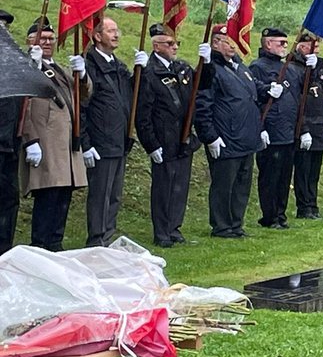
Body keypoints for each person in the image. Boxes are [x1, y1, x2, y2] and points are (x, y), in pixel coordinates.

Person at [195, 24, 277, 238]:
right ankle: (222, 225)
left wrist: (268, 89)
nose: (233, 45)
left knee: (242, 184)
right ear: (215, 43)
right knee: (224, 185)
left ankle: (236, 223)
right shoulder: (211, 69)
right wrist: (210, 136)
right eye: (228, 41)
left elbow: (254, 89)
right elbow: (202, 104)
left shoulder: (240, 67)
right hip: (226, 136)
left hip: (246, 136)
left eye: (234, 40)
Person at [20, 18, 91, 251]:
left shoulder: (57, 67)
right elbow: (24, 107)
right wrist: (30, 139)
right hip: (46, 142)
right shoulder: (27, 66)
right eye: (41, 38)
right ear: (30, 41)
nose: (47, 42)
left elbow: (83, 94)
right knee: (47, 197)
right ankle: (41, 245)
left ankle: (55, 243)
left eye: (51, 38)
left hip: (67, 144)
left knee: (62, 196)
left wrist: (82, 75)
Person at [81, 16, 148, 246]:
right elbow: (82, 106)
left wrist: (141, 71)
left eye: (117, 30)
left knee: (114, 195)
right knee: (101, 194)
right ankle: (97, 239)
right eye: (110, 31)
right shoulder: (90, 66)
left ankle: (107, 235)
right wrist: (85, 143)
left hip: (119, 140)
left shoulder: (117, 65)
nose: (116, 34)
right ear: (97, 36)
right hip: (101, 141)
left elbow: (133, 94)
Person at [135, 23, 199, 248]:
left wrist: (206, 63)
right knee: (163, 188)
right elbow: (143, 113)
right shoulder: (149, 71)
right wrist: (151, 144)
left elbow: (201, 87)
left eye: (176, 43)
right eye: (170, 44)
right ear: (156, 45)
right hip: (163, 138)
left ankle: (174, 227)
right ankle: (162, 231)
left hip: (183, 138)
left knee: (180, 185)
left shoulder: (180, 67)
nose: (175, 47)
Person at [250, 27, 301, 229]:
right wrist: (260, 127)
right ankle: (269, 215)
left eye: (286, 44)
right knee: (270, 176)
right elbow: (255, 99)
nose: (284, 47)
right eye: (281, 43)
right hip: (271, 130)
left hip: (288, 130)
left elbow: (298, 97)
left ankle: (281, 213)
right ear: (268, 43)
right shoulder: (258, 67)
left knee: (284, 177)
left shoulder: (289, 68)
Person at [292, 32, 323, 220]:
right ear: (302, 48)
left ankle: (313, 204)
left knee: (314, 172)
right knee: (303, 170)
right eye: (313, 48)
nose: (316, 52)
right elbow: (299, 99)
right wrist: (304, 130)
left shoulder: (319, 70)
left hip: (319, 128)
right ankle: (304, 207)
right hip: (305, 127)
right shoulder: (296, 69)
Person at [0, 9, 19, 253]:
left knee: (9, 200)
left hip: (10, 144)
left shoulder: (14, 62)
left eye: (6, 29)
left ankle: (6, 249)